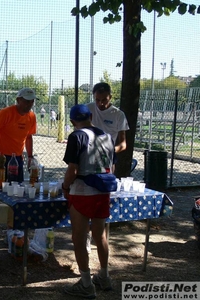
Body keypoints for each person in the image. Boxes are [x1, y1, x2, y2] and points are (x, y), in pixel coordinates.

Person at [61, 104, 116, 298]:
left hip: (83, 191)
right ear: (91, 116)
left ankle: (86, 283)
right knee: (100, 235)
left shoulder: (77, 136)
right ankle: (104, 275)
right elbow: (112, 167)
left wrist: (65, 187)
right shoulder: (107, 137)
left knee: (79, 236)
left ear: (72, 121)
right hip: (103, 191)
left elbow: (73, 170)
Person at [86, 82, 129, 253]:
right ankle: (87, 237)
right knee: (88, 196)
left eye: (104, 100)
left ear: (110, 97)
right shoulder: (88, 108)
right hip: (88, 160)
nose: (100, 104)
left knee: (103, 198)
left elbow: (123, 144)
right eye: (97, 100)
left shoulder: (118, 115)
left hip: (108, 162)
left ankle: (101, 235)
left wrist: (110, 151)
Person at [0, 87, 37, 185]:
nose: (29, 104)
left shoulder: (31, 116)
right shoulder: (5, 113)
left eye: (32, 101)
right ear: (18, 100)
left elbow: (29, 137)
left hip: (17, 159)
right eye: (26, 101)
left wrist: (30, 157)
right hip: (0, 158)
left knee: (16, 190)